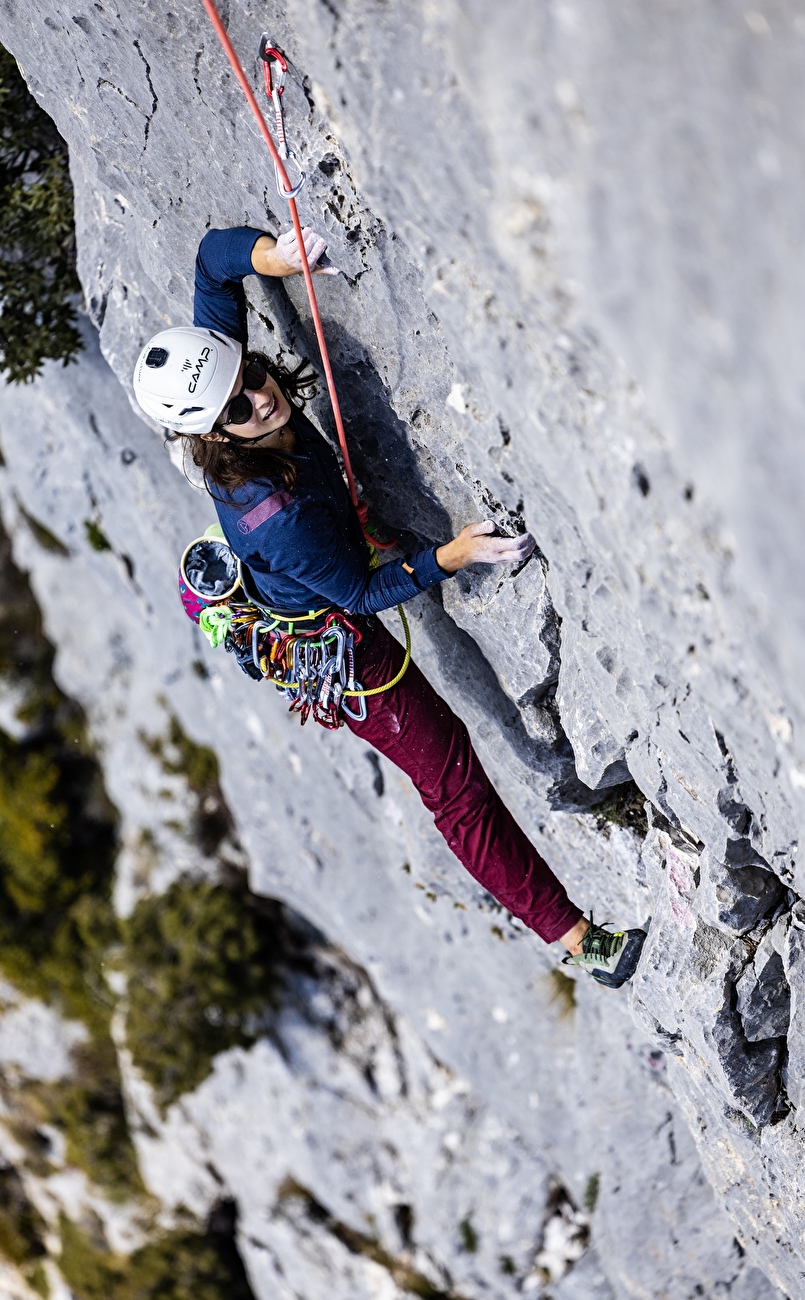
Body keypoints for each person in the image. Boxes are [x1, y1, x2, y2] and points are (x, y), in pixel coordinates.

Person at [133, 224, 646, 989]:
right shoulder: (277, 516)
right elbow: (360, 593)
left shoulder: (221, 385)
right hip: (339, 646)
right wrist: (449, 557)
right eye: (238, 406)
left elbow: (212, 260)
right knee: (452, 784)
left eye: (251, 374)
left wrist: (274, 257)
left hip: (307, 577)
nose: (261, 396)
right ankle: (580, 943)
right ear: (211, 433)